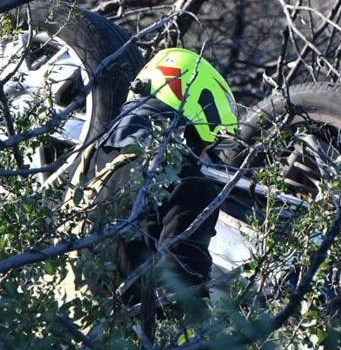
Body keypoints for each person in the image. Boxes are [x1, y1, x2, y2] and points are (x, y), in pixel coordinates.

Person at [75, 48, 238, 327]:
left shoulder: (92, 159)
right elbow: (180, 293)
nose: (206, 156)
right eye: (208, 146)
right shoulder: (188, 184)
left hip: (64, 337)